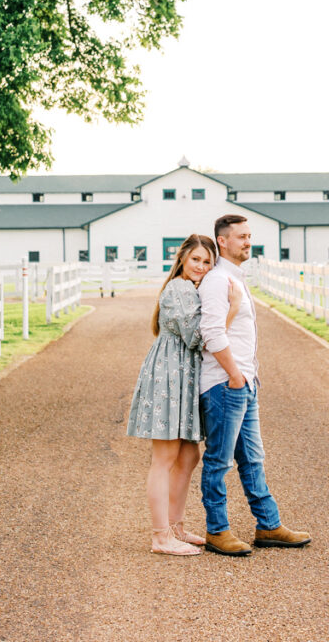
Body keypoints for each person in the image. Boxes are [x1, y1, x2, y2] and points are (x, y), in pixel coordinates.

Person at [198, 214, 312, 557]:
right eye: (242, 237)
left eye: (250, 236)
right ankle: (217, 531)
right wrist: (234, 376)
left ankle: (268, 525)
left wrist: (246, 378)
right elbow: (212, 334)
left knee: (253, 459)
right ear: (222, 241)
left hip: (244, 382)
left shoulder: (234, 277)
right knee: (219, 461)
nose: (249, 242)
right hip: (224, 385)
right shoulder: (218, 280)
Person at [126, 233, 241, 556]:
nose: (201, 267)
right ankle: (160, 536)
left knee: (189, 454)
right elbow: (198, 336)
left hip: (182, 378)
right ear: (182, 260)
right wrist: (232, 310)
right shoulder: (178, 287)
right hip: (168, 377)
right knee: (164, 459)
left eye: (207, 262)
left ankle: (175, 526)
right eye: (196, 260)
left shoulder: (189, 289)